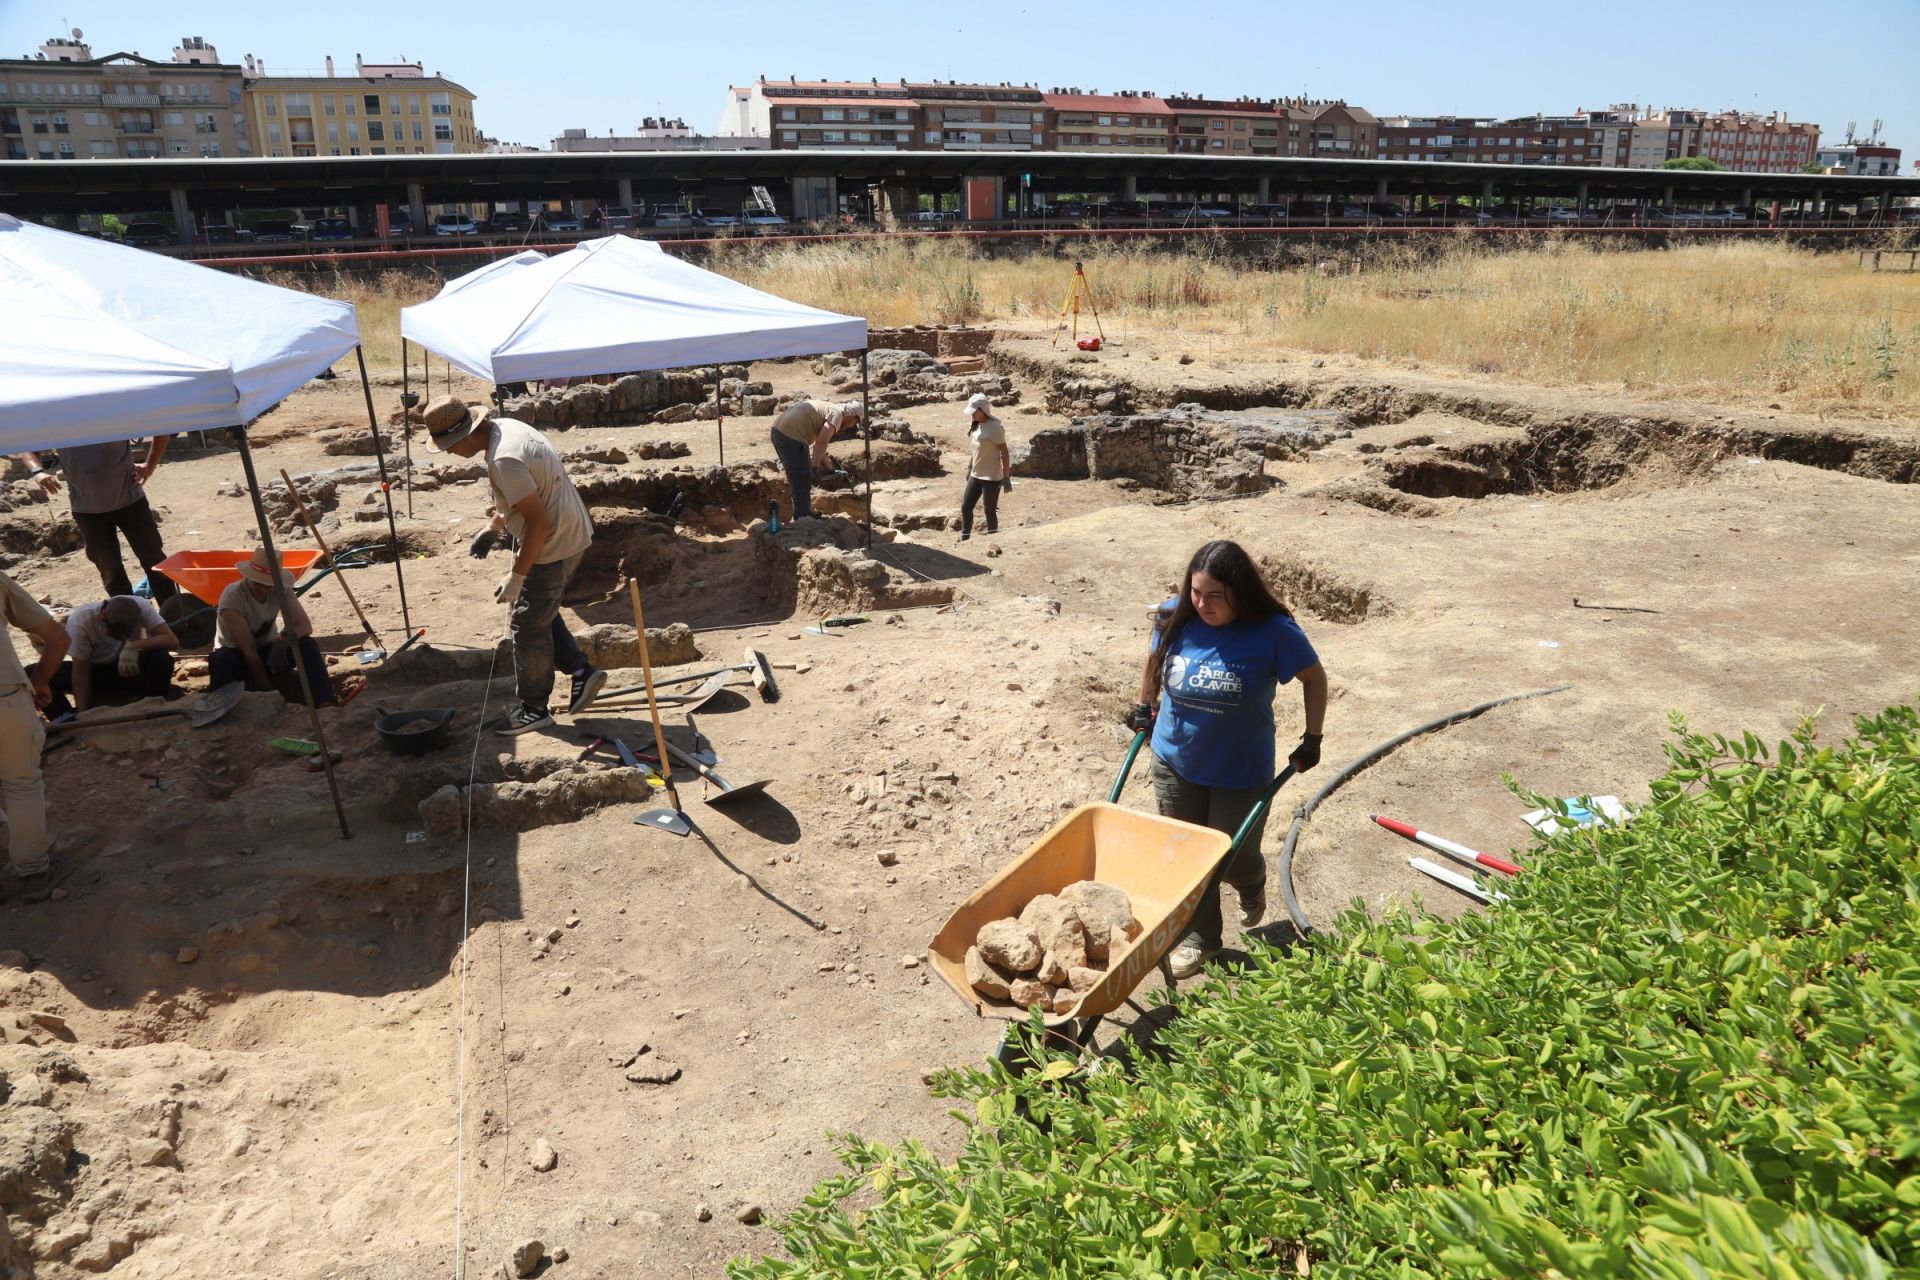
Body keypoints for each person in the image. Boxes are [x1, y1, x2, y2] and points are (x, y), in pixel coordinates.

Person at [1126, 540, 1328, 979]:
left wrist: (1313, 737)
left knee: (1233, 857)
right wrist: (1146, 704)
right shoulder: (1175, 615)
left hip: (1240, 768)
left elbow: (1314, 678)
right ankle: (1203, 939)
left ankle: (1251, 881)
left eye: (1214, 595)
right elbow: (1154, 658)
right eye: (1196, 592)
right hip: (1175, 759)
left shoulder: (1273, 631)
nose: (1202, 604)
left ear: (1240, 591)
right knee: (1190, 857)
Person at [426, 396, 604, 736]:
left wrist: (517, 576)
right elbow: (523, 498)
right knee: (539, 611)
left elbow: (539, 524)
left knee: (526, 623)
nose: (449, 453)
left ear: (464, 437)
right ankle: (582, 672)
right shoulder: (506, 428)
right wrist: (494, 527)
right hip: (569, 529)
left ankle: (535, 709)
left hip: (554, 542)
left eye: (449, 446)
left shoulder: (504, 459)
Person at [17, 439, 178, 604]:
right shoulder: (58, 417)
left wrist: (150, 465)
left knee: (154, 559)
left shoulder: (109, 413)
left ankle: (173, 614)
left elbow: (160, 428)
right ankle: (129, 619)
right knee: (109, 569)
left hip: (131, 502)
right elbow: (28, 443)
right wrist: (38, 471)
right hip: (87, 510)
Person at [2, 569, 71, 904]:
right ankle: (33, 872)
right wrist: (40, 681)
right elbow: (58, 639)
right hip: (5, 699)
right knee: (22, 783)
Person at [208, 549, 336, 707]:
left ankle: (325, 701)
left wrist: (282, 640)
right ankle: (221, 708)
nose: (263, 589)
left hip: (269, 653)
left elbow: (304, 625)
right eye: (258, 584)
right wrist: (268, 692)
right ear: (248, 576)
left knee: (306, 644)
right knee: (222, 659)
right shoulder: (233, 596)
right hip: (236, 659)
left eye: (268, 585)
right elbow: (249, 652)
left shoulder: (280, 588)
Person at [45, 594, 180, 718]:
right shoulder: (81, 621)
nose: (120, 638)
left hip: (128, 669)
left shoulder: (141, 606)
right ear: (103, 616)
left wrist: (133, 645)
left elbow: (172, 641)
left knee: (161, 658)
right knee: (39, 674)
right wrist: (83, 712)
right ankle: (67, 720)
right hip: (97, 674)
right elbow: (80, 671)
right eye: (115, 633)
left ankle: (152, 706)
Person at [769, 398, 863, 522]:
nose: (851, 426)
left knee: (799, 476)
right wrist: (814, 467)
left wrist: (831, 470)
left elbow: (819, 447)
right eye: (854, 423)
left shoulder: (829, 408)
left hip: (778, 431)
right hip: (791, 435)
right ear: (854, 417)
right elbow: (821, 443)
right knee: (802, 478)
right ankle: (804, 518)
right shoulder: (837, 415)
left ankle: (802, 513)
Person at [958, 392, 1011, 541]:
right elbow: (974, 449)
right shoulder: (976, 424)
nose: (972, 415)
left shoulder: (995, 428)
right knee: (965, 507)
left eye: (974, 411)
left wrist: (1006, 477)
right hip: (976, 475)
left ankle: (993, 540)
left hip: (991, 478)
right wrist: (969, 468)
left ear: (982, 410)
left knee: (989, 511)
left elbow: (1005, 453)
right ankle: (965, 538)